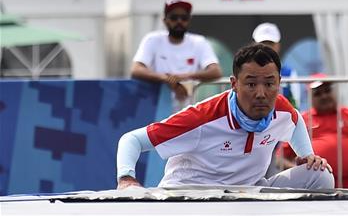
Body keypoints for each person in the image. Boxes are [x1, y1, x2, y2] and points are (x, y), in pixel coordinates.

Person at [116, 44, 334, 191]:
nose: (261, 93)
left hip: (250, 193)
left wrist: (307, 155)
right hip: (190, 198)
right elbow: (131, 140)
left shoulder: (283, 109)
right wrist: (126, 179)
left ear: (279, 83)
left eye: (269, 84)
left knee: (321, 175)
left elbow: (294, 122)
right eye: (250, 84)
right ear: (234, 84)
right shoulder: (200, 118)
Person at [130, 0, 222, 105]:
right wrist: (167, 79)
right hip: (158, 109)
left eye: (184, 18)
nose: (179, 21)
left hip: (187, 108)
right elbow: (136, 70)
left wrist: (182, 78)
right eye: (174, 18)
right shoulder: (152, 39)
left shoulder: (199, 42)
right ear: (165, 20)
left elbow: (215, 71)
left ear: (189, 20)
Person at [251, 22, 299, 106]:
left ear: (278, 46)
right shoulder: (244, 71)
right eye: (263, 43)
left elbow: (295, 103)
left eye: (270, 43)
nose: (266, 47)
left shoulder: (289, 73)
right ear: (254, 44)